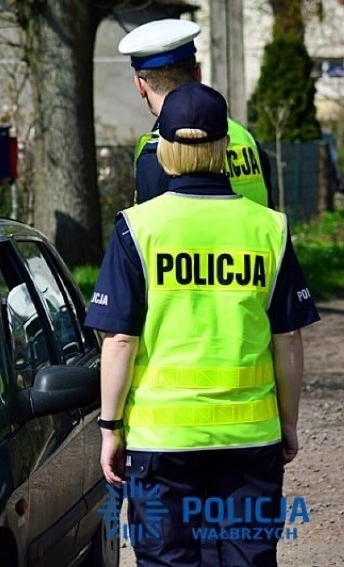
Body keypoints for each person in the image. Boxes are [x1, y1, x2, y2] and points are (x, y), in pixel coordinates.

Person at [84, 82, 319, 566]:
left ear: (165, 149)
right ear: (225, 150)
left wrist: (110, 428)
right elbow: (288, 338)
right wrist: (288, 422)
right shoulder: (269, 228)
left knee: (167, 559)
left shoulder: (137, 228)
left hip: (161, 442)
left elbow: (120, 339)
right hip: (250, 440)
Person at [119, 19, 274, 206]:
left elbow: (147, 230)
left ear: (140, 86)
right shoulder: (245, 138)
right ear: (198, 73)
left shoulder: (157, 151)